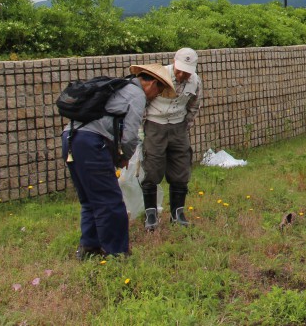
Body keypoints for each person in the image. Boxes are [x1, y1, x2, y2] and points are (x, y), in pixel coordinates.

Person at [63, 63, 176, 259]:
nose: (156, 95)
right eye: (159, 90)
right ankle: (117, 252)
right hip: (91, 143)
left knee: (90, 199)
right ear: (151, 84)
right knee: (110, 201)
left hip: (70, 138)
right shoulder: (137, 94)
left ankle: (90, 248)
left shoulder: (120, 87)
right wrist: (123, 157)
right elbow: (130, 136)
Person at [141, 48, 203, 230]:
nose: (182, 74)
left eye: (187, 71)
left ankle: (178, 213)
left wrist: (185, 126)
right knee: (152, 167)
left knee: (181, 166)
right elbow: (142, 102)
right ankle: (151, 214)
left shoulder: (195, 81)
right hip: (155, 124)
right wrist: (141, 130)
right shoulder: (158, 76)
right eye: (179, 69)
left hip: (178, 126)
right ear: (173, 62)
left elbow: (194, 105)